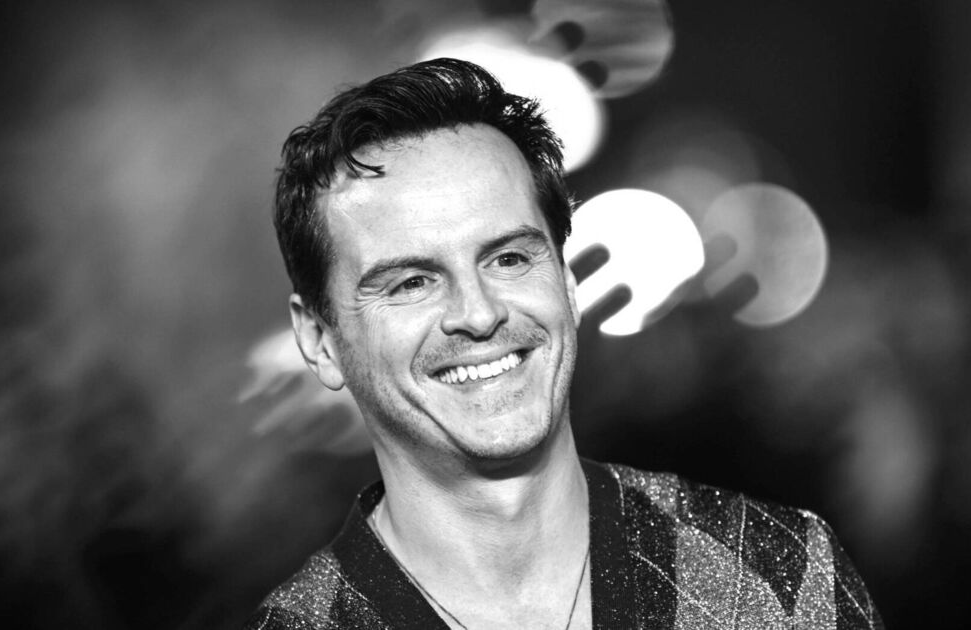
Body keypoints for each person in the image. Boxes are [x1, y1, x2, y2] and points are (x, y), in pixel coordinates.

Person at [247, 57, 882, 630]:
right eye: (412, 282)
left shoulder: (778, 578)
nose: (479, 314)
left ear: (567, 282)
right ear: (319, 340)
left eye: (509, 259)